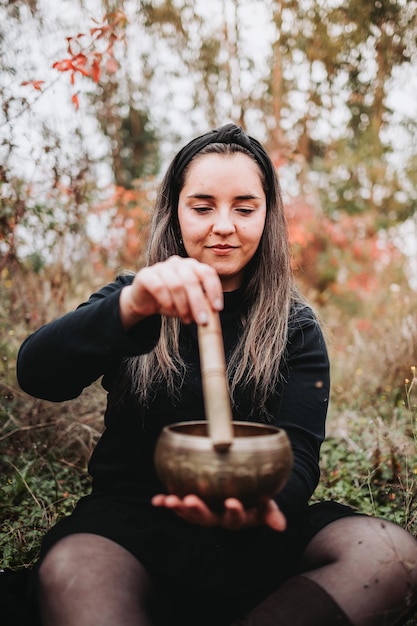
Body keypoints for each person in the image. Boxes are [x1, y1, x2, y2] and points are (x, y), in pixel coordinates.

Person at [16, 123, 417, 626]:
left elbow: (298, 459)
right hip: (132, 527)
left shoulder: (294, 325)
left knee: (387, 552)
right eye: (202, 207)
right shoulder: (133, 298)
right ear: (176, 211)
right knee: (74, 571)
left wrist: (259, 507)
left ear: (267, 216)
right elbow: (37, 374)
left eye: (244, 208)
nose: (223, 225)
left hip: (257, 532)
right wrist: (133, 305)